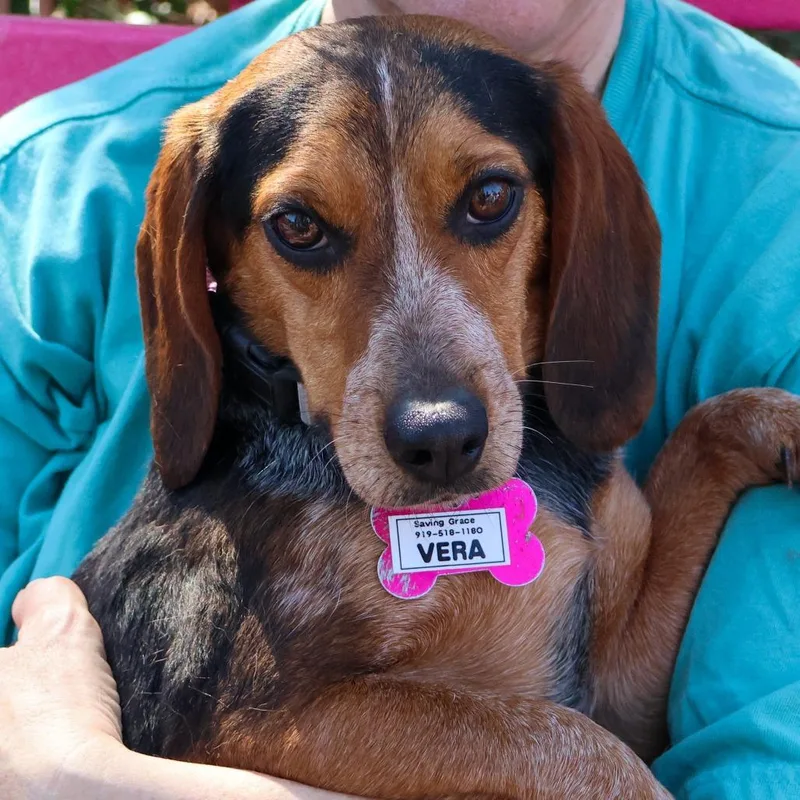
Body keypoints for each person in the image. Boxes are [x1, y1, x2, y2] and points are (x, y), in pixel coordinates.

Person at [1, 0, 799, 796]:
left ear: (564, 218)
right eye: (303, 230)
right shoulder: (46, 194)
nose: (433, 412)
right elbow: (260, 712)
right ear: (212, 259)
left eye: (488, 200)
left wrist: (715, 450)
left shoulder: (768, 203)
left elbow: (619, 691)